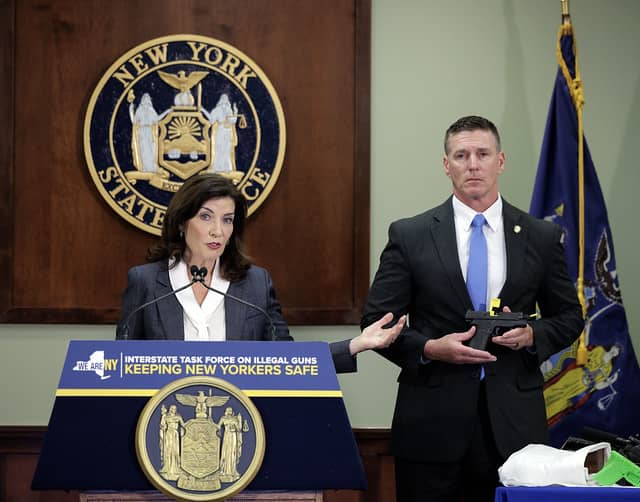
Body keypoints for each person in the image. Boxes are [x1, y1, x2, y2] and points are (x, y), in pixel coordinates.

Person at [360, 116, 584, 502]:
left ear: (501, 161)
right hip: (431, 425)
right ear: (447, 165)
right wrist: (430, 349)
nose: (473, 164)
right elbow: (377, 323)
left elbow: (569, 317)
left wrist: (533, 335)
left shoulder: (541, 236)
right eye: (461, 155)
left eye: (482, 154)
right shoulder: (410, 235)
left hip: (514, 429)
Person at [117, 173, 404, 373]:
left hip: (241, 425)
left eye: (227, 220)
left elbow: (288, 362)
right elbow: (120, 368)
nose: (218, 230)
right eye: (206, 217)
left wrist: (355, 345)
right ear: (181, 222)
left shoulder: (254, 284)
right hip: (163, 428)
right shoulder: (145, 283)